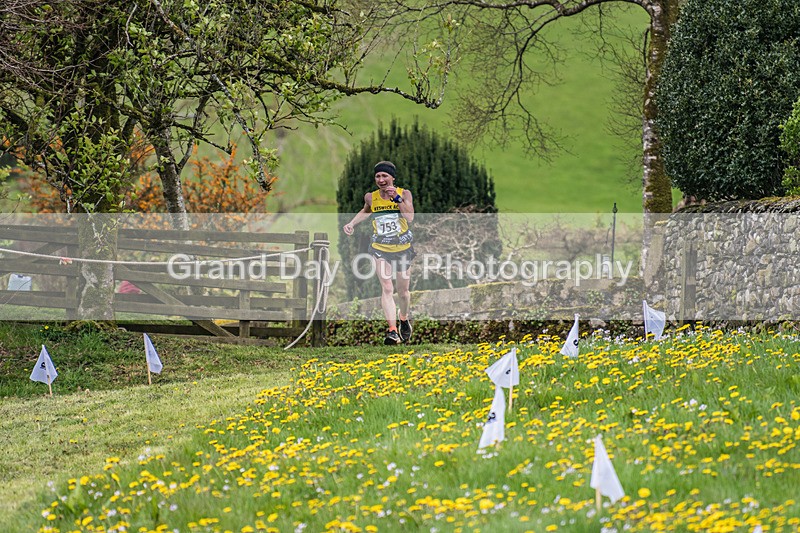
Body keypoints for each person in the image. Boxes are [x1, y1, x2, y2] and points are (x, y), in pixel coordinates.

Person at [343, 161, 415, 345]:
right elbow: (366, 211)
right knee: (387, 288)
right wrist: (351, 223)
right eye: (378, 176)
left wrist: (397, 200)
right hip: (380, 248)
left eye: (385, 176)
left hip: (402, 249)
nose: (381, 180)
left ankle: (404, 318)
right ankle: (392, 331)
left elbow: (409, 217)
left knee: (404, 292)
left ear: (392, 178)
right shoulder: (371, 197)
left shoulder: (404, 193)